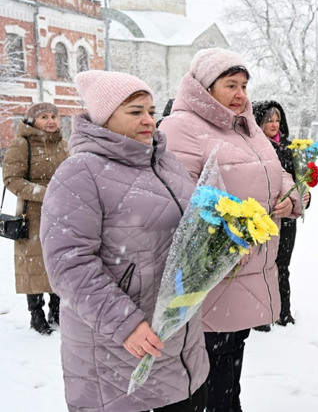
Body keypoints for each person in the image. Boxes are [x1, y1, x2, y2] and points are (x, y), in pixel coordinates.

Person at [39, 70, 209, 411]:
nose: (149, 120)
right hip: (118, 351)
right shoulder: (81, 172)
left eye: (151, 110)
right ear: (105, 117)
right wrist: (124, 322)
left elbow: (190, 227)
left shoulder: (166, 162)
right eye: (135, 112)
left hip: (180, 344)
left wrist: (220, 246)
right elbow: (68, 264)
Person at [162, 48, 301, 412]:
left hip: (250, 268)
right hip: (214, 271)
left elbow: (279, 173)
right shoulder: (180, 128)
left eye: (244, 85)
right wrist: (231, 225)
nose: (241, 95)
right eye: (230, 85)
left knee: (230, 361)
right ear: (204, 87)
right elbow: (179, 199)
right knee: (208, 371)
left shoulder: (248, 127)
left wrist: (291, 197)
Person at [2, 102, 68, 336]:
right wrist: (44, 193)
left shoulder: (63, 144)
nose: (51, 121)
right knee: (34, 265)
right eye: (44, 117)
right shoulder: (22, 144)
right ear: (32, 121)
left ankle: (57, 310)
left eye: (54, 116)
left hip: (62, 214)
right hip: (32, 216)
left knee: (58, 261)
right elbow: (11, 179)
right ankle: (37, 315)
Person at [252, 100, 311, 329]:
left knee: (282, 265)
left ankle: (282, 311)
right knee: (262, 265)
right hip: (262, 220)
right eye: (269, 120)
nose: (275, 124)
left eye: (278, 120)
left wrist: (304, 198)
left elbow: (300, 183)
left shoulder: (291, 149)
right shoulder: (254, 148)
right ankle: (262, 315)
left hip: (286, 221)